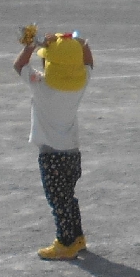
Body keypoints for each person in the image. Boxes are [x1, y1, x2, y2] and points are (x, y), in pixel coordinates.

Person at [12, 31, 94, 260]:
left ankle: (65, 241)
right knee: (69, 197)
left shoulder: (42, 86)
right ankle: (77, 237)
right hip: (72, 153)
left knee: (58, 201)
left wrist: (32, 44)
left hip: (51, 155)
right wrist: (78, 42)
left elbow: (19, 65)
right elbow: (88, 61)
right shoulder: (80, 84)